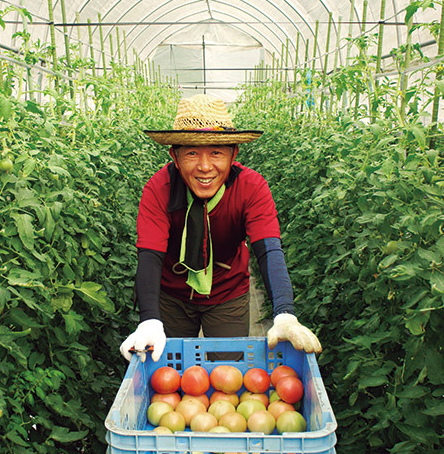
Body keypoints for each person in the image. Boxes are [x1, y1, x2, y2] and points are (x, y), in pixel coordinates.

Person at [120, 94, 321, 362]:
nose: (205, 166)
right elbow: (149, 255)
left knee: (227, 371)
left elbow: (268, 248)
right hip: (172, 297)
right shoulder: (159, 189)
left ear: (234, 154)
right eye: (192, 153)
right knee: (173, 372)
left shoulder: (251, 187)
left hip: (228, 294)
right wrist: (149, 321)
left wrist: (284, 312)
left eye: (216, 152)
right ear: (175, 157)